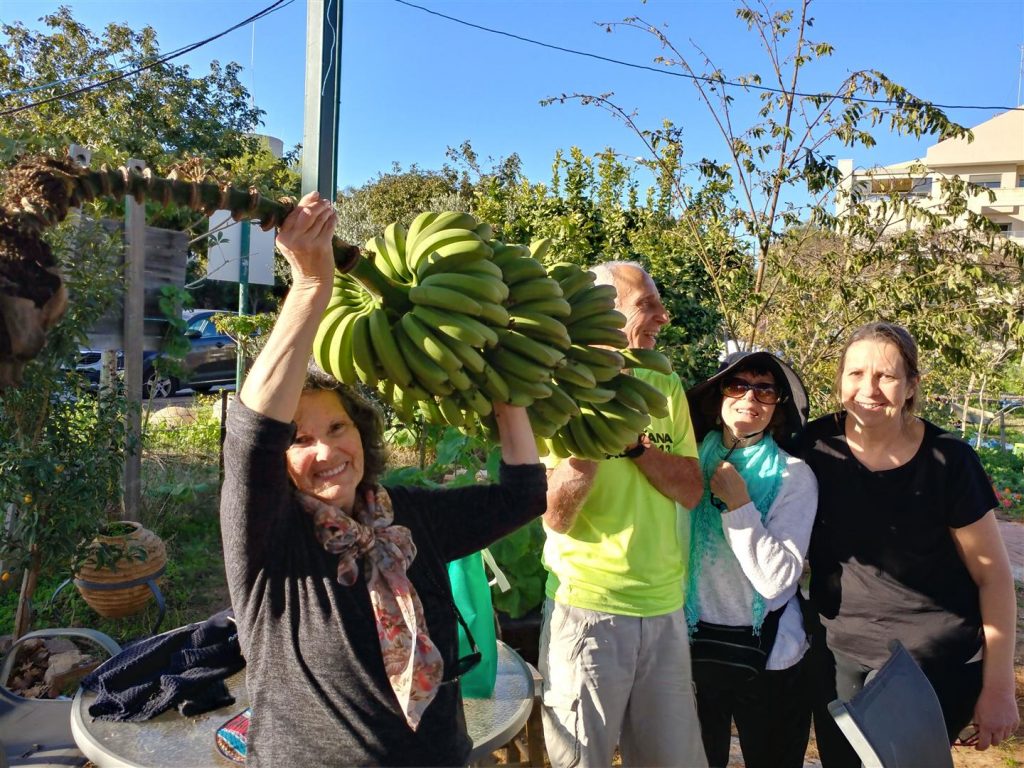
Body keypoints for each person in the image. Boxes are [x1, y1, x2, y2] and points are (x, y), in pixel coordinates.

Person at [219, 192, 547, 767]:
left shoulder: (407, 517)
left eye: (338, 427)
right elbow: (250, 434)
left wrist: (505, 385)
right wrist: (310, 287)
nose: (327, 450)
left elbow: (523, 495)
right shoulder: (269, 542)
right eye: (299, 439)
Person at [805, 322, 1019, 765]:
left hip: (933, 665)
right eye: (856, 373)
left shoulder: (949, 462)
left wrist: (998, 688)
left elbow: (993, 577)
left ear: (911, 386)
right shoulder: (812, 448)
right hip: (841, 655)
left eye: (885, 376)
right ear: (840, 381)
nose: (869, 388)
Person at [540, 260, 708, 768]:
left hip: (663, 607)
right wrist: (590, 442)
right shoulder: (555, 391)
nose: (663, 316)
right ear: (603, 315)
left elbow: (691, 489)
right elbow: (555, 517)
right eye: (646, 305)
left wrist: (635, 447)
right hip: (587, 609)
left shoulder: (664, 383)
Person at [684, 351, 817, 768]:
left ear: (778, 408)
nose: (750, 397)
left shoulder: (794, 476)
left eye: (765, 390)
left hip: (770, 654)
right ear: (719, 396)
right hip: (690, 645)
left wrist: (739, 505)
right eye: (737, 385)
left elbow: (777, 581)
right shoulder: (685, 465)